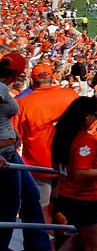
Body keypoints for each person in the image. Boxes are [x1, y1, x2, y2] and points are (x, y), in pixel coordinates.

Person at [50, 95, 97, 251]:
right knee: (92, 245)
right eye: (96, 115)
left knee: (81, 237)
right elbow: (80, 173)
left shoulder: (64, 135)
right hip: (87, 200)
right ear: (86, 116)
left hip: (67, 196)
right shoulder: (85, 140)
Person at [13, 61, 78, 224]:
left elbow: (15, 139)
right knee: (66, 208)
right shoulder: (71, 95)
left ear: (33, 82)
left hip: (38, 165)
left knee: (42, 209)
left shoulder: (24, 102)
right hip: (69, 162)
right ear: (53, 78)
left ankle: (49, 243)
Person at [0, 52, 51, 251]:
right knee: (9, 208)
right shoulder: (2, 87)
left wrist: (12, 130)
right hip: (4, 155)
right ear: (17, 75)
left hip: (11, 152)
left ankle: (38, 245)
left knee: (31, 194)